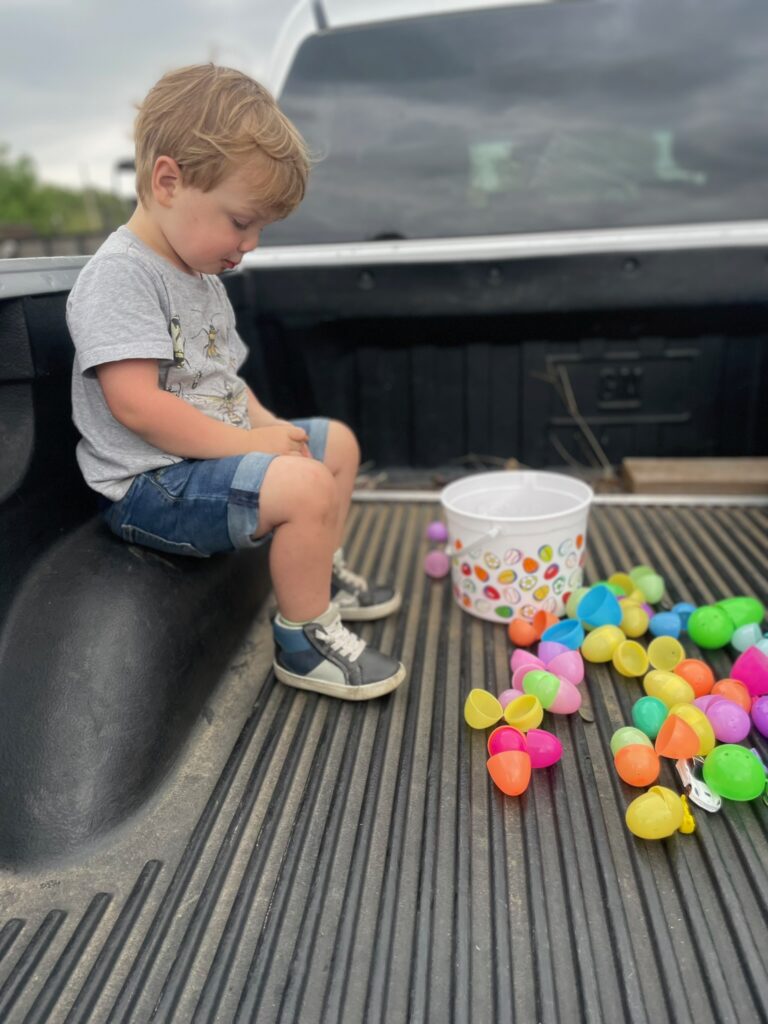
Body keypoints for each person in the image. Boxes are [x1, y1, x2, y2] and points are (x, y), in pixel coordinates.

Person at [66, 64, 406, 701]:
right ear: (168, 181)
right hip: (152, 485)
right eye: (241, 221)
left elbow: (224, 383)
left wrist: (271, 429)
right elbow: (136, 406)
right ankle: (303, 640)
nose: (250, 244)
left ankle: (318, 575)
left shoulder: (200, 278)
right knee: (304, 483)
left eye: (259, 230)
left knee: (333, 444)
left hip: (205, 463)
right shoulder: (121, 276)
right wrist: (252, 446)